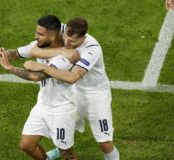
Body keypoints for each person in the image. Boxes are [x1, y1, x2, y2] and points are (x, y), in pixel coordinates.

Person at [23, 17, 120, 160]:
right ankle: (60, 149)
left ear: (84, 37)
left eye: (72, 42)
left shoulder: (92, 49)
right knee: (62, 127)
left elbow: (72, 77)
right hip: (72, 91)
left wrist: (42, 66)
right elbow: (34, 49)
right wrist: (62, 51)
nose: (67, 44)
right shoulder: (62, 29)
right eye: (65, 38)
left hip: (95, 95)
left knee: (104, 142)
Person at [0, 15, 78, 160]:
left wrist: (11, 68)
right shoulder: (39, 46)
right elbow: (15, 53)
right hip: (42, 105)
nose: (36, 36)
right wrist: (3, 54)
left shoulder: (66, 58)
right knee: (27, 145)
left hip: (62, 110)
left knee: (67, 154)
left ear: (52, 36)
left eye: (40, 34)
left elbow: (36, 76)